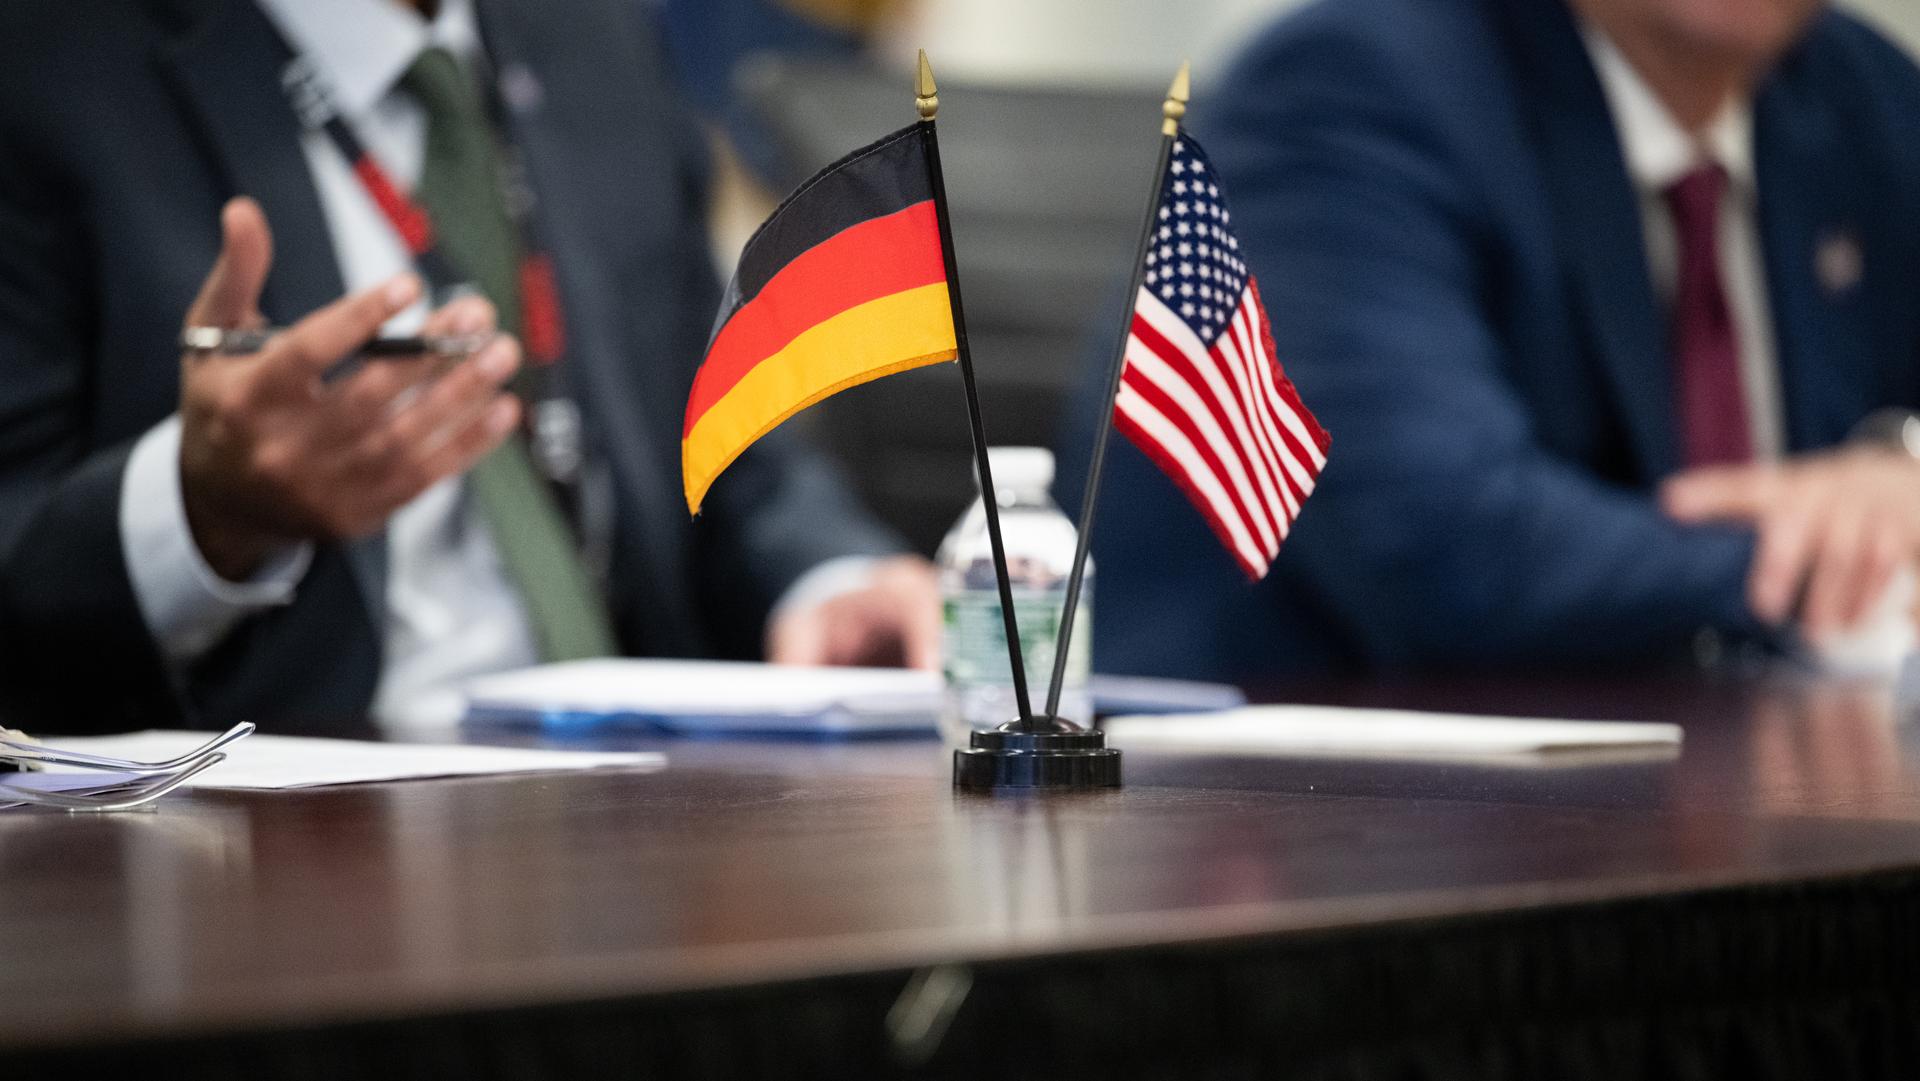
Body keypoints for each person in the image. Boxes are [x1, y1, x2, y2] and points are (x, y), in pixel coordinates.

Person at [0, 0, 939, 732]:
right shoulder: (50, 66)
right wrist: (198, 512)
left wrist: (829, 576)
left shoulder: (594, 36)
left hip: (648, 804)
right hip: (287, 841)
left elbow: (717, 422)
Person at [1058, 0, 1920, 683]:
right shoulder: (1356, 81)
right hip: (1284, 831)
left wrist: (1900, 473)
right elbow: (1441, 542)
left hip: (1742, 800)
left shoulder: (1865, 98)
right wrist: (1831, 551)